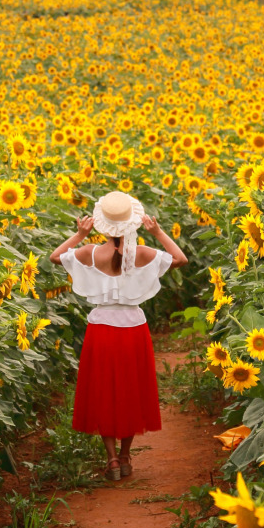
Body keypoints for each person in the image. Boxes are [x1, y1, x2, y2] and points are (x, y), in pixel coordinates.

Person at [49, 191, 187, 482]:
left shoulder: (89, 252)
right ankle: (125, 456)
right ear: (132, 223)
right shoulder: (143, 254)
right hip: (133, 328)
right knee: (130, 391)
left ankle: (111, 459)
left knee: (104, 391)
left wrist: (78, 234)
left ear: (101, 224)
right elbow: (180, 259)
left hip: (100, 327)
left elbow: (54, 257)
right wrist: (158, 231)